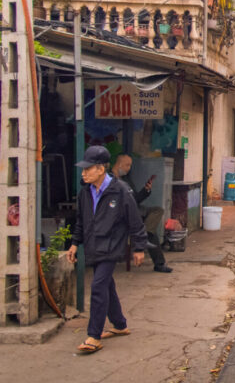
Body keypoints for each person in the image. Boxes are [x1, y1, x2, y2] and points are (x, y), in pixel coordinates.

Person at [66, 145, 148, 355]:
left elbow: (135, 221)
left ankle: (93, 335)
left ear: (101, 169)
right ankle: (120, 324)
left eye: (88, 169)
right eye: (83, 169)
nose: (83, 173)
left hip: (112, 246)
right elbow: (81, 222)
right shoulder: (85, 192)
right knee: (106, 286)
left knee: (98, 287)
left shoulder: (120, 191)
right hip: (94, 246)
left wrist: (139, 247)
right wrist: (75, 243)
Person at [112, 154, 172, 273]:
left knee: (158, 211)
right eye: (127, 165)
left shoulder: (126, 178)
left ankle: (145, 233)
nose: (129, 168)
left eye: (130, 165)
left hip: (137, 210)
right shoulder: (110, 180)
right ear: (119, 164)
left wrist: (146, 190)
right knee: (151, 232)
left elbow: (135, 198)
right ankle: (158, 261)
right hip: (124, 214)